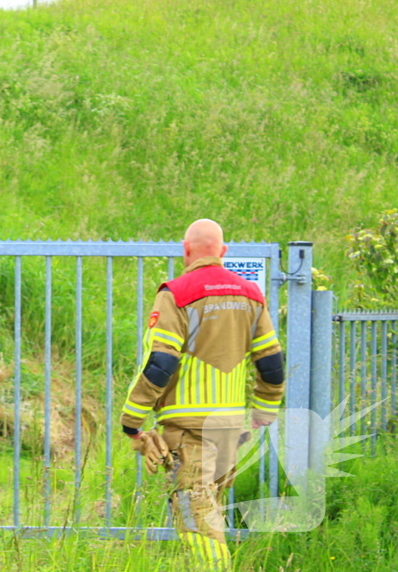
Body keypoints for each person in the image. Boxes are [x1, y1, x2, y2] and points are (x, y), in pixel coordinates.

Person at [120, 219, 285, 571]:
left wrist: (132, 422)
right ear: (223, 252)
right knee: (208, 513)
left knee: (197, 525)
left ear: (186, 250)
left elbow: (161, 362)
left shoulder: (176, 293)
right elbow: (271, 362)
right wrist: (264, 413)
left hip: (189, 429)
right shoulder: (251, 295)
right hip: (230, 429)